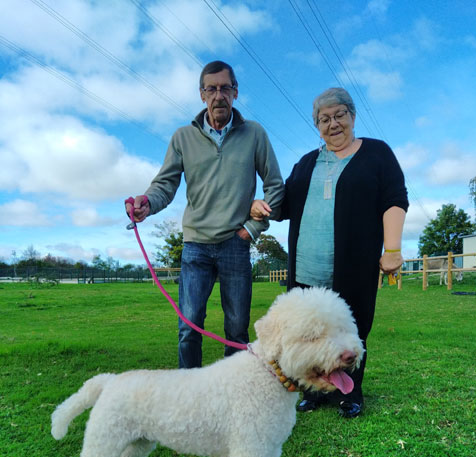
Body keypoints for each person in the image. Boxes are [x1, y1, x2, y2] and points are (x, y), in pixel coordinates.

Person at [251, 87, 408, 418]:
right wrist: (258, 206)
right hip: (306, 268)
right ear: (317, 125)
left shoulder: (377, 154)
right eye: (324, 119)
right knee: (309, 336)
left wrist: (392, 248)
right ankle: (313, 389)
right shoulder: (308, 162)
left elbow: (394, 198)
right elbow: (283, 204)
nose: (333, 124)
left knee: (351, 333)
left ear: (352, 116)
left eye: (339, 115)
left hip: (353, 266)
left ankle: (351, 393)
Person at [126, 61, 284, 368]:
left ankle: (235, 396)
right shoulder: (183, 137)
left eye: (225, 88)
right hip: (195, 246)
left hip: (235, 244)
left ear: (236, 92)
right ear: (202, 94)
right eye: (211, 89)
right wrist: (147, 202)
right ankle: (190, 397)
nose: (218, 95)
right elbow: (165, 184)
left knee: (237, 331)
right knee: (189, 328)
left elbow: (275, 186)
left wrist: (251, 229)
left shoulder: (255, 134)